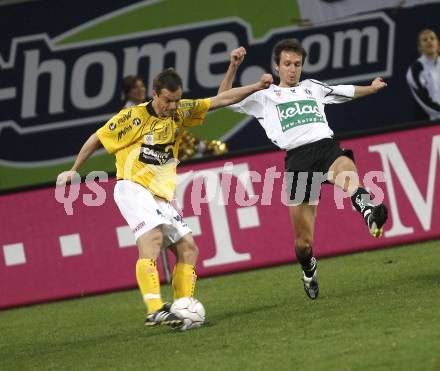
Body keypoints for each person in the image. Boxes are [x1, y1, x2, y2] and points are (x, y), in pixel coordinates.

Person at [56, 68, 273, 327]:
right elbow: (97, 138)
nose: (173, 106)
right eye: (168, 100)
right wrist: (73, 170)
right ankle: (154, 309)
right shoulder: (133, 118)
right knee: (153, 237)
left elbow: (220, 100)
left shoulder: (181, 110)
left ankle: (181, 310)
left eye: (177, 100)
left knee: (188, 248)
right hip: (132, 187)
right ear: (155, 95)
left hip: (160, 195)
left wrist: (257, 86)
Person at [218, 39, 388, 300]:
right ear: (277, 67)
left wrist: (373, 89)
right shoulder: (264, 95)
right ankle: (308, 269)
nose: (293, 69)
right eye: (287, 64)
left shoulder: (313, 88)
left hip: (326, 148)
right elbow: (223, 99)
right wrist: (233, 66)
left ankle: (368, 211)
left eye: (297, 64)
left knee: (347, 171)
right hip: (298, 161)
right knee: (303, 244)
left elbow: (346, 90)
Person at [406, 29, 440, 121]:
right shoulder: (415, 70)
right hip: (431, 123)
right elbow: (424, 101)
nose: (429, 41)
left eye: (432, 38)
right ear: (420, 47)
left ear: (438, 44)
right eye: (425, 40)